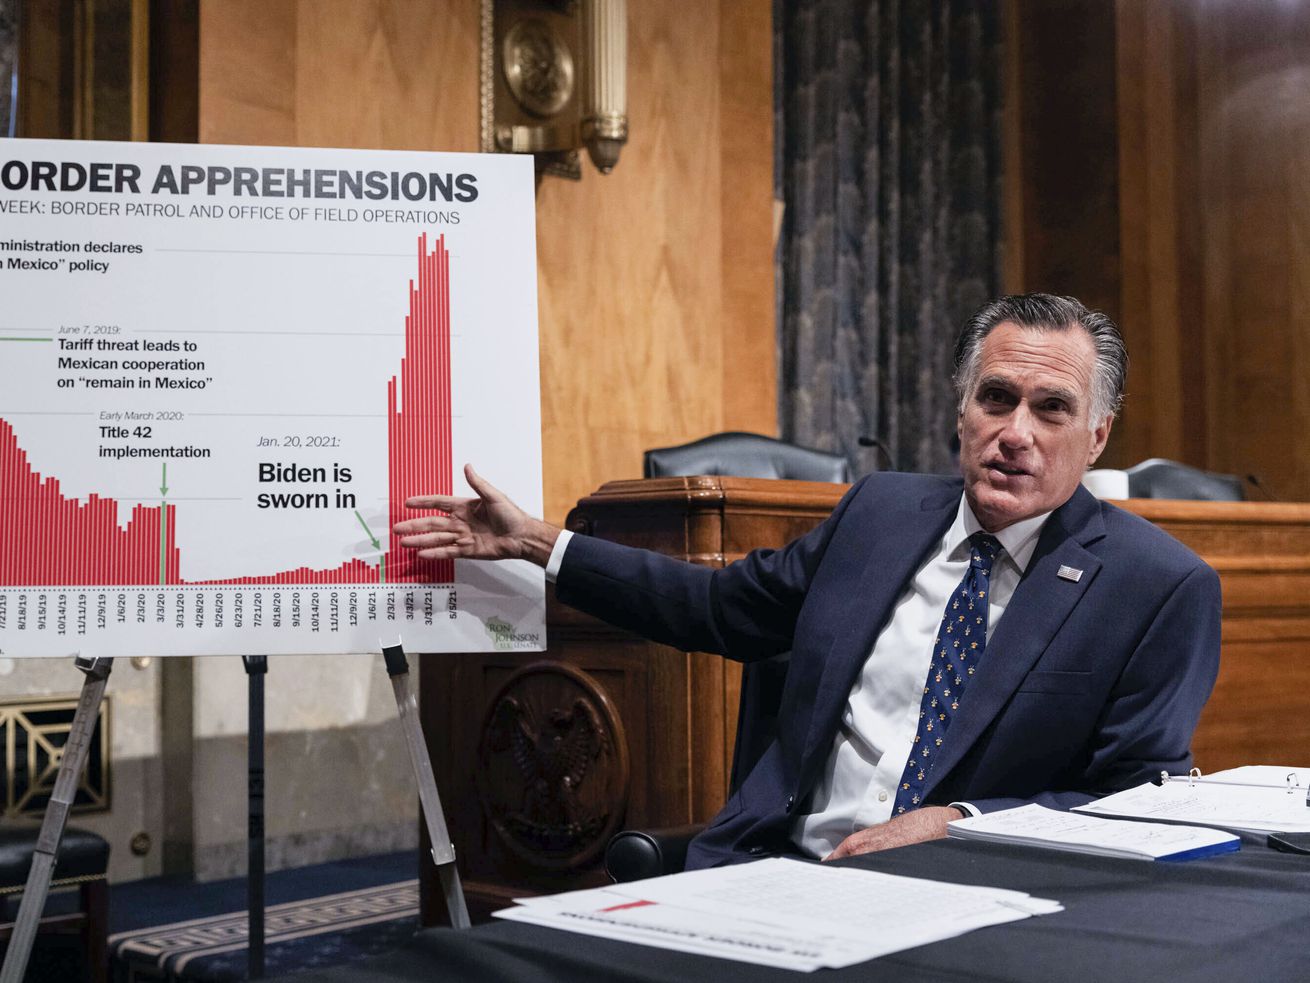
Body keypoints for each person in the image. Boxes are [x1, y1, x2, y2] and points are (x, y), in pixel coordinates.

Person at [394, 293, 1221, 869]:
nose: (1015, 432)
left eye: (1051, 409)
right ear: (960, 409)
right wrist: (536, 540)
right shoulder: (880, 514)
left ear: (1097, 435)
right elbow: (718, 607)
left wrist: (963, 821)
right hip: (777, 867)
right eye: (996, 398)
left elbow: (1135, 801)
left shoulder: (1157, 587)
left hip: (968, 897)